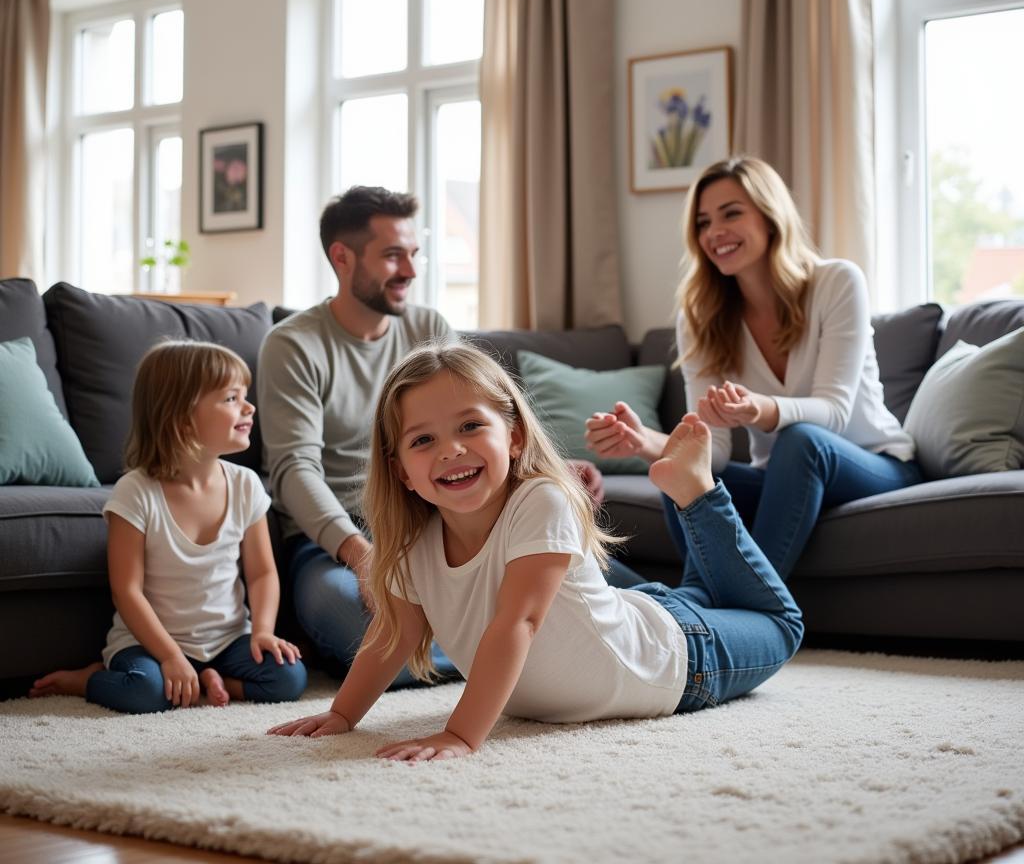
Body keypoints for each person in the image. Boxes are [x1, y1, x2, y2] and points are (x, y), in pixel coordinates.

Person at [266, 342, 803, 759]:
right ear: (401, 469)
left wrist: (460, 734)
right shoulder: (411, 542)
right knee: (702, 593)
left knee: (781, 623)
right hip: (644, 611)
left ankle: (697, 493)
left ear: (516, 437)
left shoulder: (540, 499)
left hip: (681, 660)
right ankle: (690, 526)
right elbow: (394, 633)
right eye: (422, 440)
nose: (451, 449)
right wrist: (342, 715)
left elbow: (518, 622)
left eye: (471, 426)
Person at [257, 187, 625, 685]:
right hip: (336, 538)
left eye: (413, 253)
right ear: (341, 258)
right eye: (392, 256)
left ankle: (514, 642)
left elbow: (477, 428)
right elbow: (294, 471)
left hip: (434, 517)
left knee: (585, 587)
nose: (410, 270)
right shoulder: (294, 344)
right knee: (355, 622)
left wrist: (554, 470)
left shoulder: (427, 327)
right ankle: (506, 650)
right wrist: (362, 556)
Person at [585, 155, 922, 581]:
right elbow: (716, 452)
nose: (715, 233)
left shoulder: (837, 283)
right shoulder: (701, 317)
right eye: (704, 223)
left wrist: (759, 409)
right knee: (678, 475)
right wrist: (642, 440)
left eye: (731, 214)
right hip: (785, 480)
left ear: (769, 217)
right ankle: (700, 609)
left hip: (874, 463)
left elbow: (834, 412)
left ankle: (747, 613)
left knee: (802, 441)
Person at [30, 341, 307, 713]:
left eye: (245, 395)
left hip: (227, 640)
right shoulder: (136, 492)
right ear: (181, 417)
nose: (249, 407)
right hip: (150, 643)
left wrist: (262, 631)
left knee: (289, 677)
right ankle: (87, 679)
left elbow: (261, 574)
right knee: (144, 692)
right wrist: (171, 655)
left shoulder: (245, 484)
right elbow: (127, 591)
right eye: (231, 398)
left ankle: (213, 682)